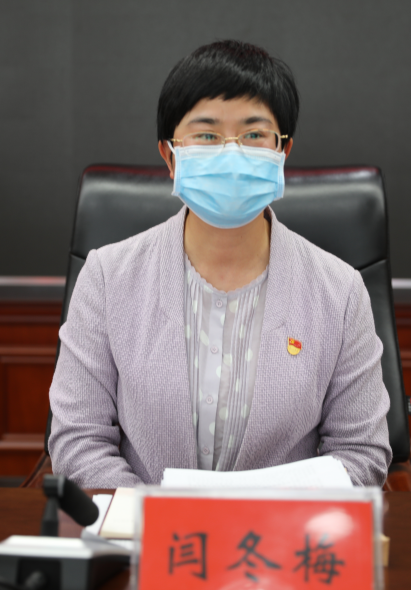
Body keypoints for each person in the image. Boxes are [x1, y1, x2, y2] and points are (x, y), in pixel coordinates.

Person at [48, 40, 392, 488]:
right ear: (170, 156)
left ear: (283, 152)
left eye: (254, 135)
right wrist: (157, 517)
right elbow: (78, 441)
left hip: (282, 531)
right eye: (207, 135)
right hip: (144, 528)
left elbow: (362, 453)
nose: (232, 154)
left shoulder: (341, 291)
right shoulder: (107, 278)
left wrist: (262, 516)